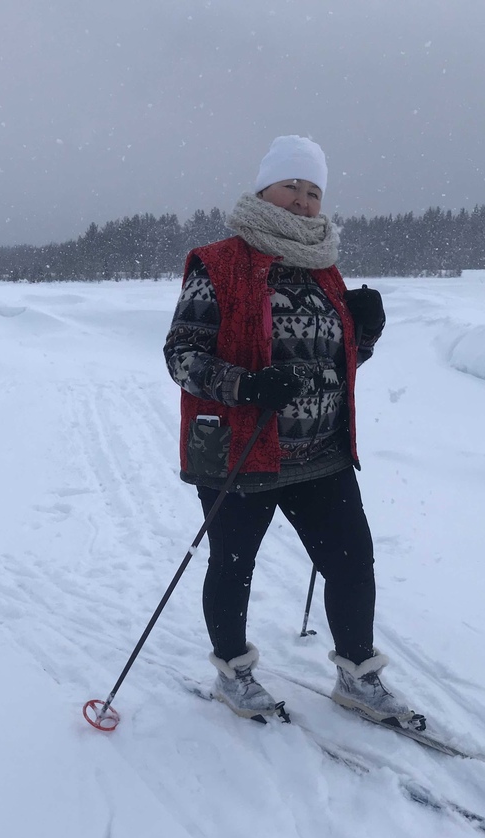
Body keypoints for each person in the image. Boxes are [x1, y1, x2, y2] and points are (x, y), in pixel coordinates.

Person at [164, 135, 423, 730]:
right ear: (264, 189)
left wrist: (366, 338)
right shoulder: (219, 261)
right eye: (292, 187)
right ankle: (233, 671)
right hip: (239, 451)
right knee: (233, 566)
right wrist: (246, 386)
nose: (303, 201)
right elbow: (181, 355)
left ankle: (358, 675)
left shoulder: (323, 268)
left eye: (313, 192)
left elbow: (336, 365)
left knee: (353, 562)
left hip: (320, 454)